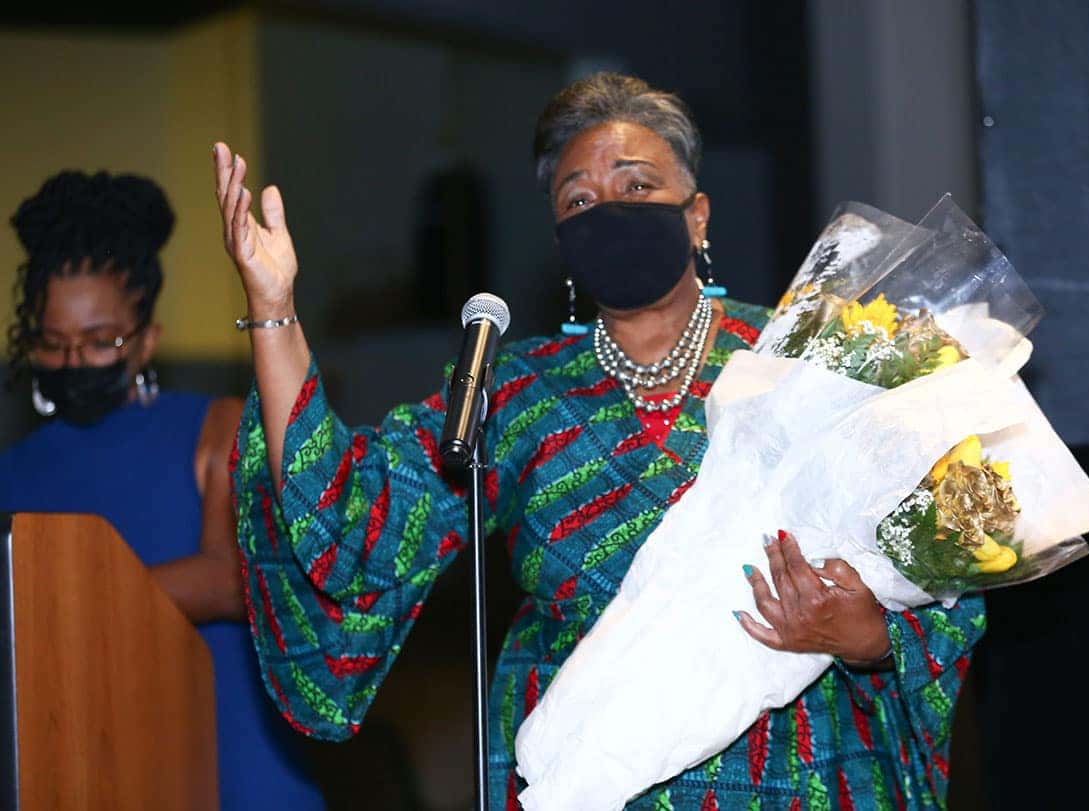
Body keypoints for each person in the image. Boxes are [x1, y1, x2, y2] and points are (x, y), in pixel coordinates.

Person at [217, 73, 985, 809]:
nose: (607, 209)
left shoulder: (805, 358)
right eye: (578, 199)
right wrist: (274, 305)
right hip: (586, 775)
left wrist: (867, 634)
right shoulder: (514, 391)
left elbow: (942, 563)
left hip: (800, 770)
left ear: (698, 214)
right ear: (560, 239)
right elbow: (354, 514)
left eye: (637, 184)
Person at [0, 171, 325, 810]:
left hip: (226, 753)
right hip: (79, 762)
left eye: (99, 342)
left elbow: (231, 577)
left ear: (147, 340)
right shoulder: (14, 471)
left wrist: (59, 595)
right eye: (53, 343)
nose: (73, 363)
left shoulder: (217, 424)